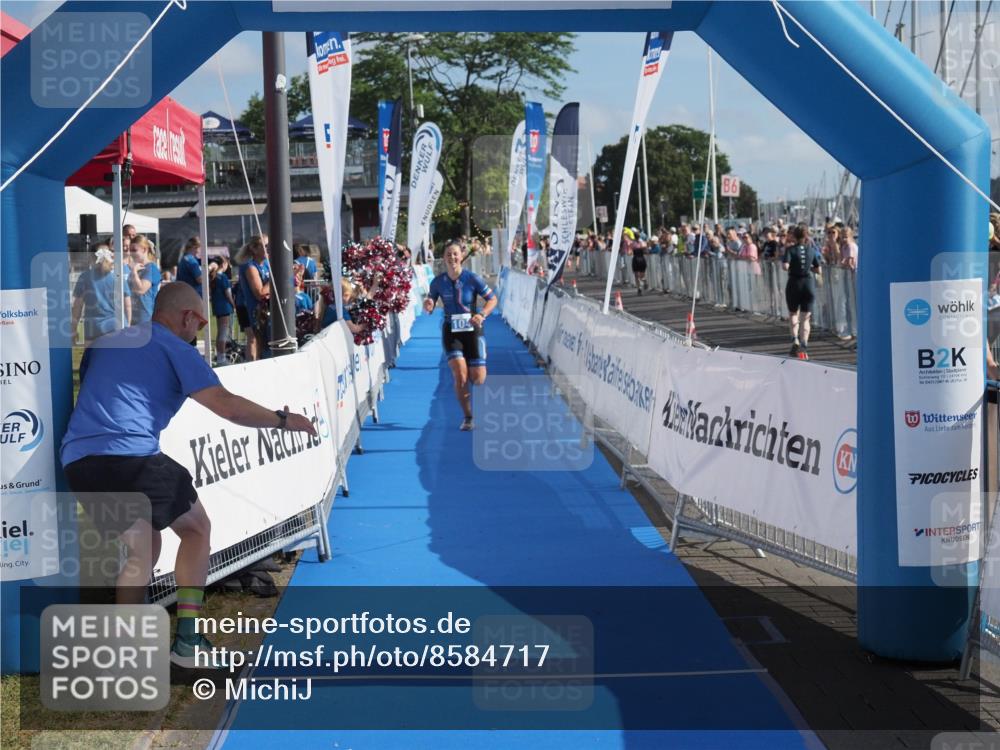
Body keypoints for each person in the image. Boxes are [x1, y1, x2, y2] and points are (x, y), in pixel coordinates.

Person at [60, 282, 316, 667]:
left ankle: (124, 651)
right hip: (131, 457)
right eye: (198, 323)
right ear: (186, 317)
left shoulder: (106, 341)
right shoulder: (176, 347)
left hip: (79, 462)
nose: (198, 332)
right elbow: (228, 407)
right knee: (196, 529)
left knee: (144, 546)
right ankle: (188, 643)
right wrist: (283, 420)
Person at [423, 241, 497, 431]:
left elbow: (492, 299)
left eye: (455, 254)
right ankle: (468, 417)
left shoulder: (472, 278)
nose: (452, 257)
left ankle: (478, 370)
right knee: (460, 376)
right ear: (444, 257)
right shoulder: (438, 282)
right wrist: (429, 304)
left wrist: (482, 314)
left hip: (473, 329)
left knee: (478, 379)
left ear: (461, 256)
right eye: (448, 254)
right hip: (451, 331)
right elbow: (431, 299)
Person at [72, 245, 131, 347]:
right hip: (116, 325)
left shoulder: (85, 277)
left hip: (93, 328)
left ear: (92, 258)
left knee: (93, 361)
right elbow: (127, 304)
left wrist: (73, 329)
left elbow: (77, 306)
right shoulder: (118, 276)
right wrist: (128, 325)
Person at [782, 224, 822, 359]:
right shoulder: (811, 250)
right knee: (805, 318)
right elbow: (818, 269)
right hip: (808, 284)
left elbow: (785, 266)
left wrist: (794, 265)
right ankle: (804, 343)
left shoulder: (790, 250)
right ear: (806, 236)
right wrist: (808, 267)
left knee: (793, 314)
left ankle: (795, 340)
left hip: (794, 283)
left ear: (794, 236)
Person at [237, 235, 271, 361]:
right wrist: (276, 277)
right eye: (265, 246)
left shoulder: (266, 264)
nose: (269, 249)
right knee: (253, 339)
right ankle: (251, 364)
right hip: (247, 307)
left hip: (261, 309)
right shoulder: (249, 266)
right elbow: (260, 293)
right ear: (254, 249)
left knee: (261, 340)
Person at [127, 235, 161, 326]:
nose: (131, 253)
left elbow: (140, 290)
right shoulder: (136, 267)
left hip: (146, 317)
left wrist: (134, 272)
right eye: (130, 250)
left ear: (144, 250)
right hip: (133, 316)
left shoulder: (151, 268)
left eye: (134, 250)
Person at [210, 257, 235, 365]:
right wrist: (234, 305)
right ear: (223, 264)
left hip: (217, 307)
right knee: (223, 333)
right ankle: (222, 358)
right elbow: (228, 294)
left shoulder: (213, 277)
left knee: (220, 332)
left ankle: (219, 356)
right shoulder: (223, 277)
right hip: (225, 307)